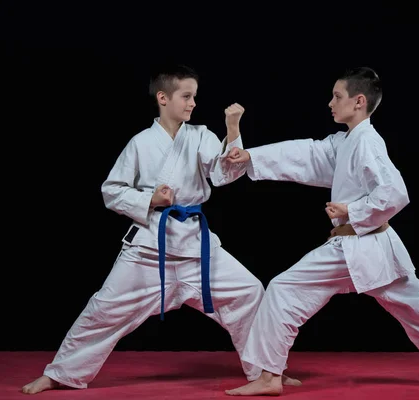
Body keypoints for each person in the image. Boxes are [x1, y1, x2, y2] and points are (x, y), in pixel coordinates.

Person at [21, 64, 300, 395]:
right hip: (150, 248)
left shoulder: (202, 136)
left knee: (250, 292)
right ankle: (59, 374)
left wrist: (233, 128)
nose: (193, 103)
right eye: (186, 96)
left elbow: (224, 174)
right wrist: (150, 199)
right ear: (163, 98)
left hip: (197, 246)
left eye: (195, 96)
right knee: (104, 309)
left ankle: (267, 372)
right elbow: (111, 190)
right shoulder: (140, 143)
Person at [223, 67, 419, 396]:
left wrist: (350, 210)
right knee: (418, 308)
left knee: (284, 290)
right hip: (374, 248)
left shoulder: (367, 142)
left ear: (359, 101)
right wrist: (252, 154)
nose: (330, 103)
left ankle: (269, 378)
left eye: (337, 97)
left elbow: (395, 193)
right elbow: (306, 154)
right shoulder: (346, 142)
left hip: (355, 245)